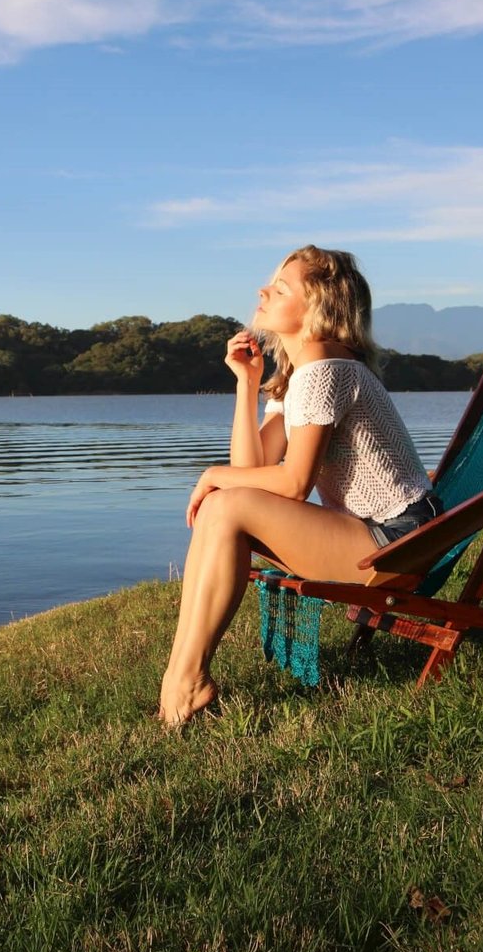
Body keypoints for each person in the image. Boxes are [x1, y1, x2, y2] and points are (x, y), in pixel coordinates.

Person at [157, 246, 443, 724]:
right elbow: (252, 470)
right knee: (223, 505)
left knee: (224, 504)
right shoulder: (300, 371)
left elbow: (292, 484)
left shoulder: (323, 365)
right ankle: (181, 679)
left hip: (399, 542)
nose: (263, 291)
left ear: (318, 308)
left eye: (281, 288)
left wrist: (211, 475)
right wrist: (247, 385)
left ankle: (184, 685)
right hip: (376, 533)